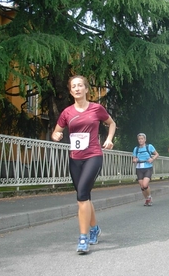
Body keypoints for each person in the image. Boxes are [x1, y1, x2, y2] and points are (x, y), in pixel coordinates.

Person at [51, 75, 116, 254]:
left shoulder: (96, 109)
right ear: (71, 91)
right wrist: (56, 136)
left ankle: (83, 237)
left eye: (80, 85)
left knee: (81, 195)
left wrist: (109, 139)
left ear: (87, 89)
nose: (77, 88)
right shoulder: (67, 113)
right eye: (74, 86)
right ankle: (95, 229)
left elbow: (111, 123)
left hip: (93, 155)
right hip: (75, 158)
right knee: (84, 196)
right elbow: (56, 132)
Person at [132, 133, 159, 206]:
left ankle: (149, 197)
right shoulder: (136, 149)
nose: (140, 140)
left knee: (145, 184)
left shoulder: (149, 146)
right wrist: (135, 160)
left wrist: (152, 159)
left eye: (142, 139)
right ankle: (147, 199)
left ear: (145, 139)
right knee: (142, 186)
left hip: (148, 167)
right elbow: (133, 159)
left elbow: (157, 154)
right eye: (139, 139)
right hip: (139, 168)